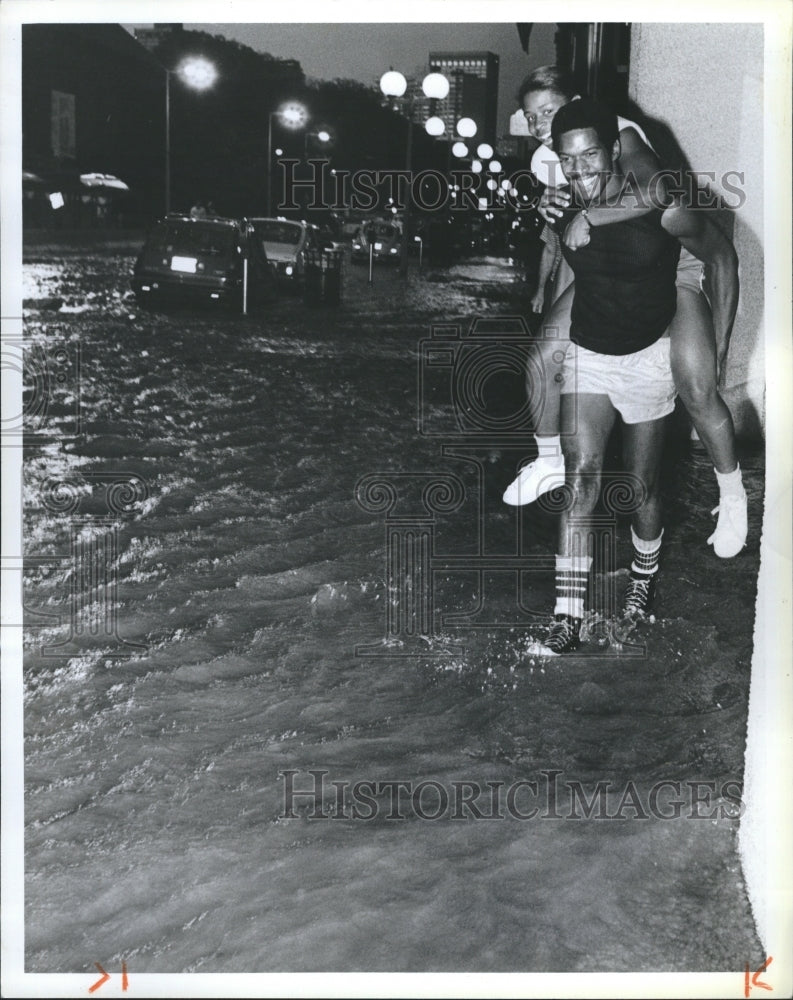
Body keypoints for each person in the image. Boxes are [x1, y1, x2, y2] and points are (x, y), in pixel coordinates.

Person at [504, 67, 746, 561]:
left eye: (548, 111)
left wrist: (720, 342)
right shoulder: (549, 159)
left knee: (697, 385)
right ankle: (548, 459)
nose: (539, 125)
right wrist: (551, 213)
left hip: (672, 261)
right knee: (541, 355)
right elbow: (568, 241)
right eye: (531, 117)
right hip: (616, 268)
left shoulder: (621, 133)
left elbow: (658, 195)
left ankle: (733, 495)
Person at [530, 98, 740, 656]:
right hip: (591, 353)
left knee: (640, 490)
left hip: (649, 357)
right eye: (568, 162)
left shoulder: (661, 208)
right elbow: (563, 277)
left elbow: (721, 259)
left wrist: (715, 350)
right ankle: (565, 616)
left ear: (615, 149)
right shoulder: (559, 206)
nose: (580, 173)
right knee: (582, 479)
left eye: (590, 157)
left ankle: (642, 583)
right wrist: (553, 339)